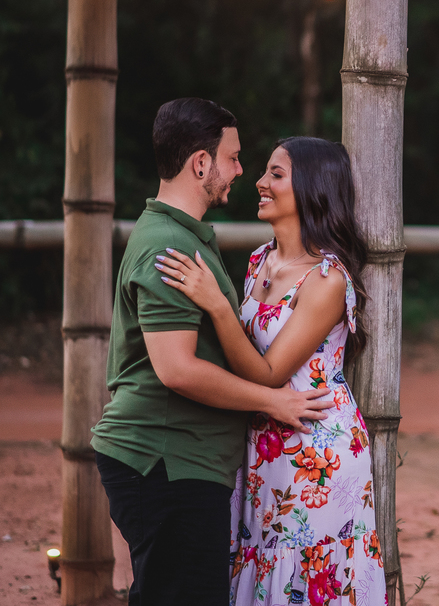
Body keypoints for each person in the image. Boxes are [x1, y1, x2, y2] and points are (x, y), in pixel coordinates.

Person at [92, 98, 335, 606]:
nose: (241, 171)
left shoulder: (187, 239)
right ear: (200, 164)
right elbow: (177, 369)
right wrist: (270, 402)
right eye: (233, 157)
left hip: (182, 461)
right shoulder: (169, 247)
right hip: (167, 460)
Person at [157, 136, 387, 605]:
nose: (259, 182)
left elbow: (266, 372)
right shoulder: (261, 259)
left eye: (276, 175)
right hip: (263, 442)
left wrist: (217, 306)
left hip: (315, 450)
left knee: (302, 573)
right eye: (264, 172)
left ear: (312, 188)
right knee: (263, 565)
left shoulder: (327, 278)